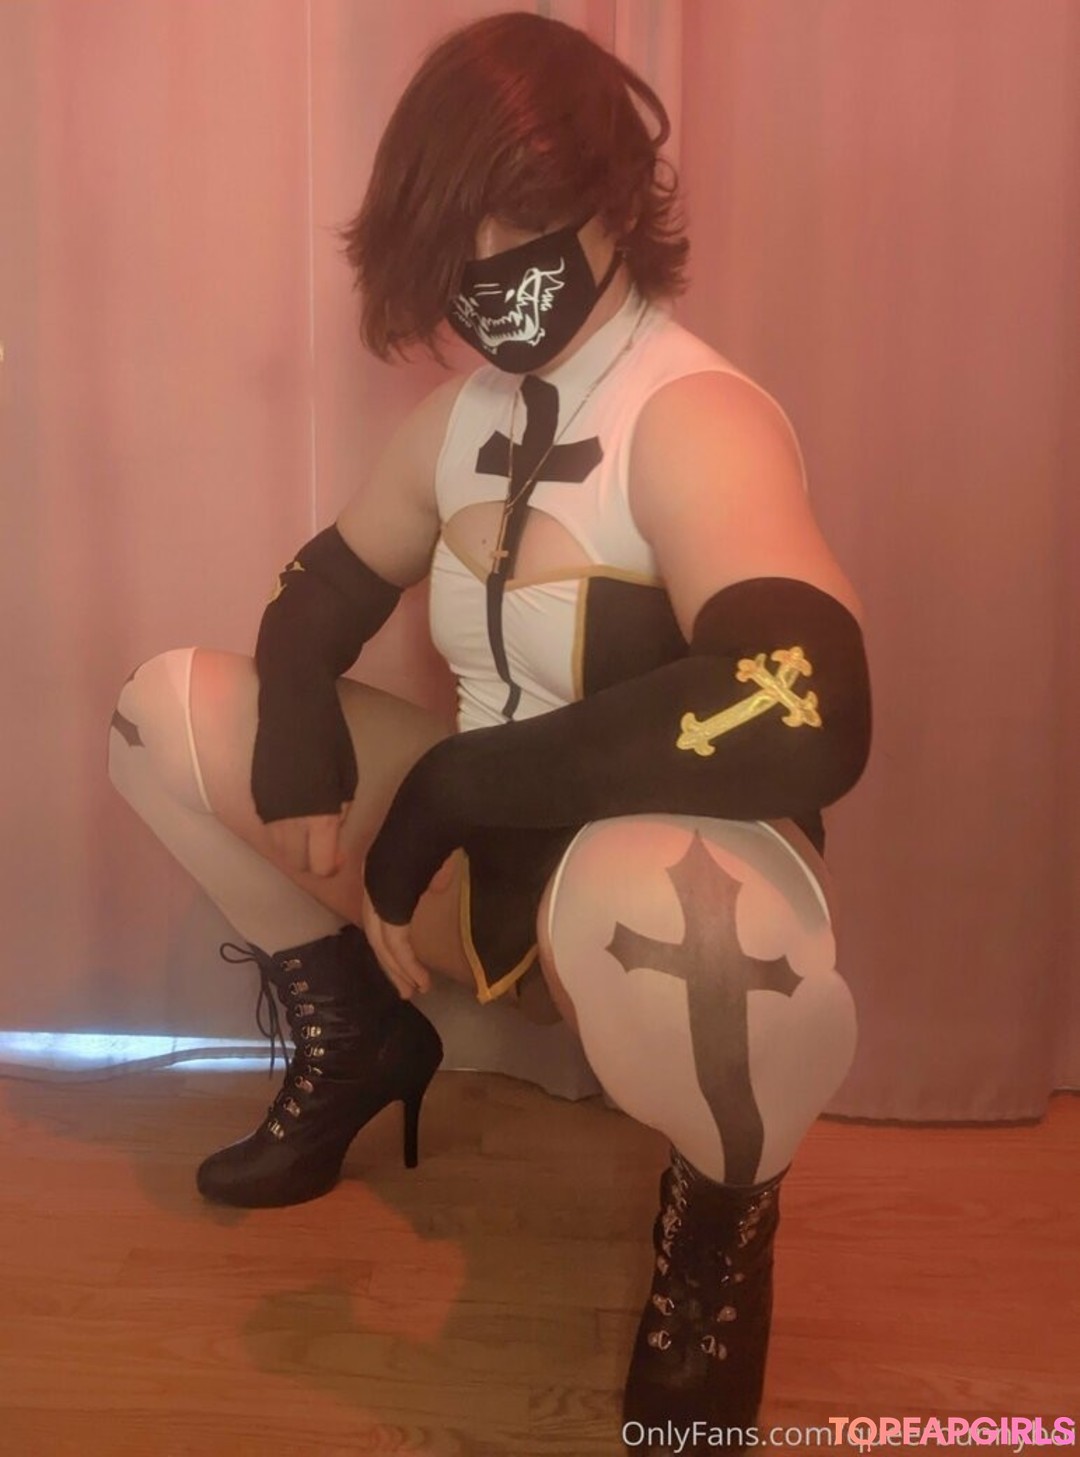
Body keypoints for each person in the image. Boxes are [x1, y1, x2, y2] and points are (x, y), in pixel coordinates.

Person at [108, 11, 871, 1451]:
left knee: (701, 928)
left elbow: (811, 693)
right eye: (459, 227)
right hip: (477, 875)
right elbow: (317, 595)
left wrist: (459, 783)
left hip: (642, 883)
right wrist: (295, 711)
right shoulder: (460, 421)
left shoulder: (694, 414)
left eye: (522, 216)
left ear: (613, 202)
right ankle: (360, 1040)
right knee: (162, 714)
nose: (488, 262)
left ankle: (720, 1222)